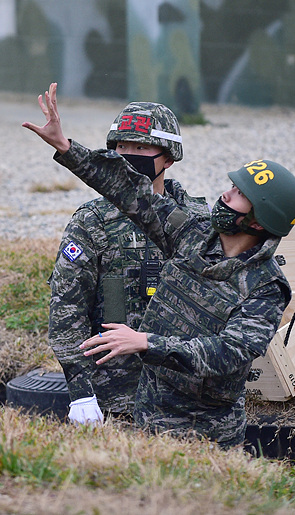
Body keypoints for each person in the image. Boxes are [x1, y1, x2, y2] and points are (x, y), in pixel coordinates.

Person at [23, 83, 295, 449]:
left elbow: (227, 354)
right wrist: (66, 147)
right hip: (146, 413)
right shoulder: (192, 233)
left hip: (208, 432)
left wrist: (144, 342)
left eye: (238, 194)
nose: (225, 194)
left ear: (258, 220)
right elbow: (131, 192)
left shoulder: (266, 286)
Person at [50, 101, 208, 424]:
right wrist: (81, 392)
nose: (128, 155)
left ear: (168, 157)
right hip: (116, 402)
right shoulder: (93, 220)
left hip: (184, 402)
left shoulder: (196, 220)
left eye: (141, 147)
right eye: (121, 146)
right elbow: (66, 308)